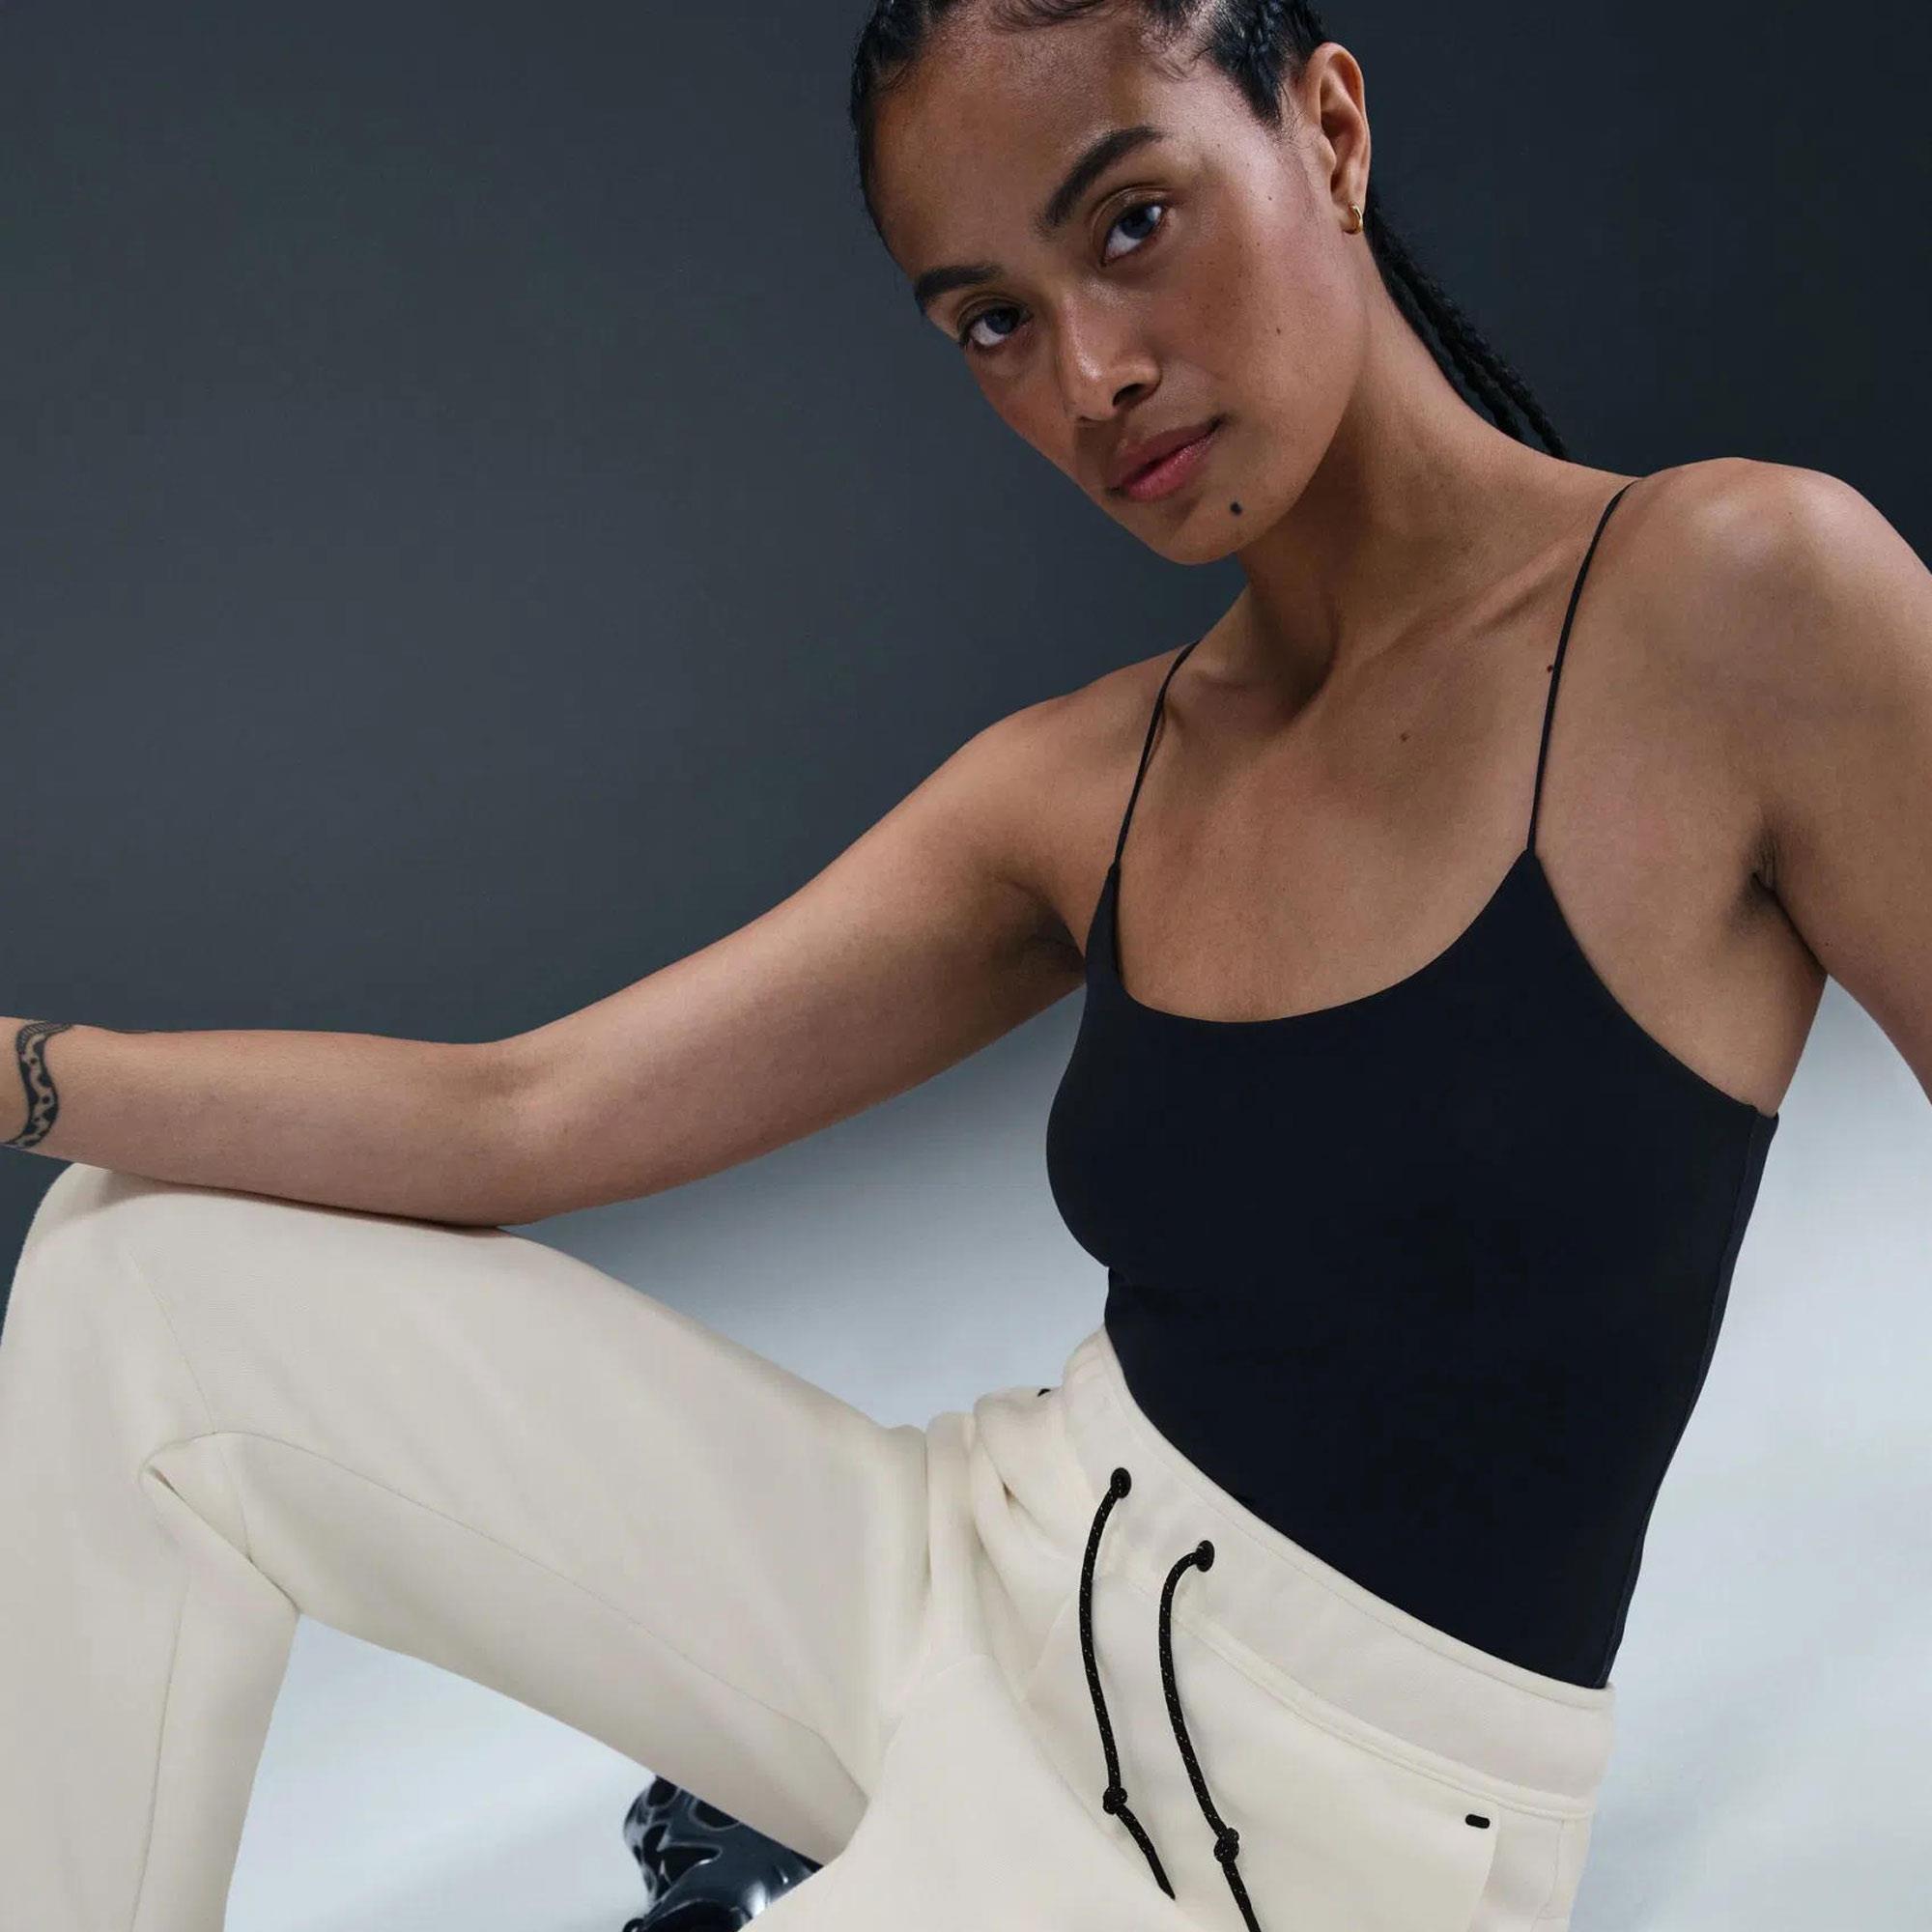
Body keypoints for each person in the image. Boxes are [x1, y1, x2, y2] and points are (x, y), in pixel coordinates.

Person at [2, 3, 1927, 1928]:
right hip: (961, 1579)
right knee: (140, 1272)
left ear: (1329, 130)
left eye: (1131, 223)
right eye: (993, 320)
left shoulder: (1740, 606)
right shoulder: (1086, 782)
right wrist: (20, 1069)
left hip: (1300, 1842)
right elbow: (524, 1112)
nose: (1092, 373)